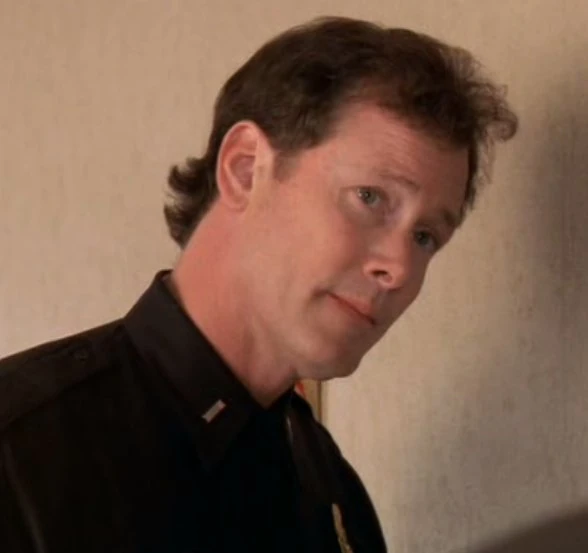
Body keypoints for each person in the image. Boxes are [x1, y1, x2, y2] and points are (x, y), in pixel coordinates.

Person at [0, 16, 517, 553]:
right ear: (245, 169)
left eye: (426, 236)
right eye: (370, 197)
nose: (401, 268)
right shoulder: (19, 456)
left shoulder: (333, 491)